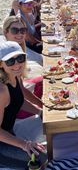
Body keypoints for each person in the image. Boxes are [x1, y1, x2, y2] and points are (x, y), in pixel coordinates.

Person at [0, 41, 46, 169]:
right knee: (41, 157)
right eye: (10, 61)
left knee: (49, 130)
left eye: (20, 58)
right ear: (1, 64)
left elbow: (18, 101)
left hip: (10, 132)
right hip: (2, 143)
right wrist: (24, 144)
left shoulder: (15, 76)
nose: (17, 64)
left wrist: (41, 111)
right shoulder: (2, 90)